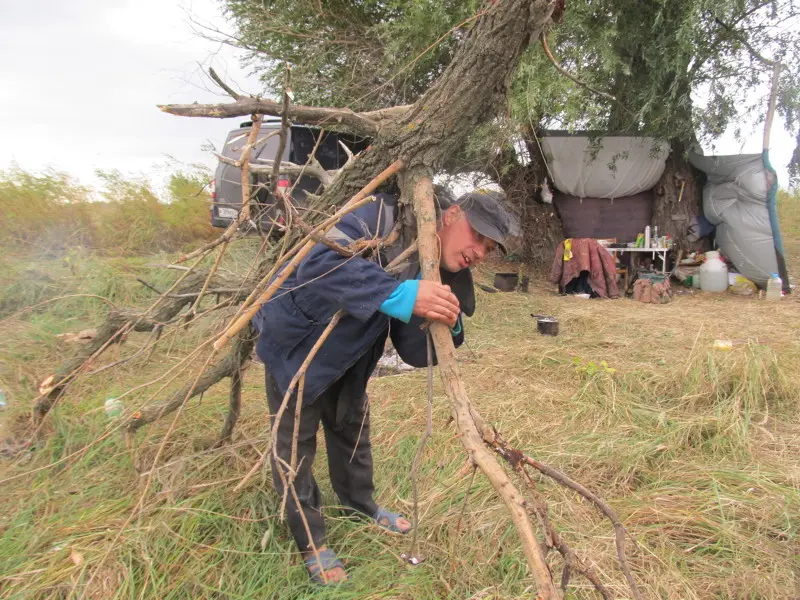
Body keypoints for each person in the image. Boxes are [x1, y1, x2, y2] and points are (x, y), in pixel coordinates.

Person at [252, 188, 517, 584]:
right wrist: (397, 292)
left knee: (352, 430)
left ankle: (360, 505)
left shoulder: (443, 264)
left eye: (490, 247)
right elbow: (316, 262)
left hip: (353, 353)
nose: (480, 252)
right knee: (295, 446)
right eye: (477, 236)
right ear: (452, 213)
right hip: (298, 343)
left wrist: (446, 320)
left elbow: (414, 348)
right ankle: (312, 540)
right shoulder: (378, 215)